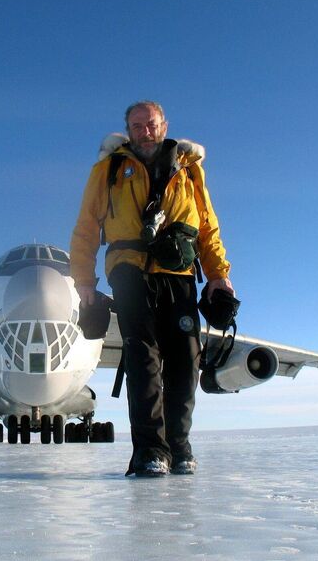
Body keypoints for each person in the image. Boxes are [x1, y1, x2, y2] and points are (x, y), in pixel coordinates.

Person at [70, 100, 234, 476]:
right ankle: (150, 451)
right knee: (142, 359)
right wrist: (83, 281)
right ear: (128, 129)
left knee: (185, 360)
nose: (145, 131)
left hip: (178, 273)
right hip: (128, 271)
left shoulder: (189, 170)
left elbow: (207, 226)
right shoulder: (110, 168)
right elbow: (86, 226)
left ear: (164, 125)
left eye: (151, 124)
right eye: (138, 125)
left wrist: (219, 275)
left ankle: (179, 446)